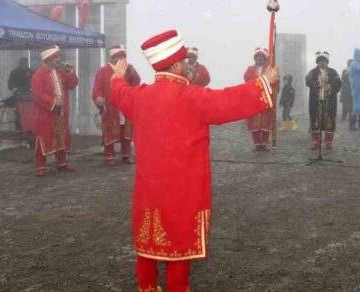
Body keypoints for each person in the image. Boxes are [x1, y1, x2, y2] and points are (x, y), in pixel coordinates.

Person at [108, 29, 279, 292]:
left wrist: (117, 76)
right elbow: (229, 101)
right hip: (181, 188)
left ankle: (147, 286)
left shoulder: (139, 96)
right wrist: (265, 82)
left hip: (149, 188)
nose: (188, 65)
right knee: (179, 242)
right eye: (185, 61)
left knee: (148, 239)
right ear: (175, 65)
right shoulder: (192, 97)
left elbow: (119, 92)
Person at [31, 45, 79, 176]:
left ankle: (61, 164)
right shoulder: (38, 75)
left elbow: (72, 84)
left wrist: (70, 73)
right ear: (48, 59)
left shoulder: (61, 72)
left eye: (58, 57)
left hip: (61, 112)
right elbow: (38, 94)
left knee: (61, 137)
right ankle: (41, 166)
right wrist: (52, 102)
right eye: (56, 57)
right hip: (45, 113)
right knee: (43, 138)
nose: (59, 60)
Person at [92, 45, 141, 166]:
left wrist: (132, 71)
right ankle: (109, 156)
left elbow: (136, 83)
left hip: (124, 106)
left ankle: (126, 155)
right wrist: (98, 98)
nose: (122, 60)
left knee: (126, 132)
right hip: (110, 107)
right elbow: (97, 88)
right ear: (113, 58)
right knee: (109, 131)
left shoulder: (127, 70)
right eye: (120, 57)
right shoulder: (103, 71)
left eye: (124, 57)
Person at [305, 51, 342, 149]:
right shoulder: (312, 72)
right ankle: (315, 141)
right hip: (315, 101)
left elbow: (338, 82)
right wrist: (317, 84)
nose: (322, 62)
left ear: (327, 61)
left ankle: (328, 141)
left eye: (324, 60)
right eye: (320, 60)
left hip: (329, 101)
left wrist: (330, 86)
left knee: (329, 119)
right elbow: (308, 81)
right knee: (315, 119)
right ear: (317, 62)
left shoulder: (333, 72)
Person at [244, 48, 274, 151]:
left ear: (265, 59)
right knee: (254, 123)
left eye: (261, 57)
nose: (259, 59)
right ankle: (257, 144)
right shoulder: (250, 69)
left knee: (265, 122)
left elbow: (274, 83)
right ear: (255, 59)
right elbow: (247, 79)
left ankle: (264, 143)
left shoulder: (269, 69)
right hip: (253, 99)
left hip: (265, 99)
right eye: (258, 57)